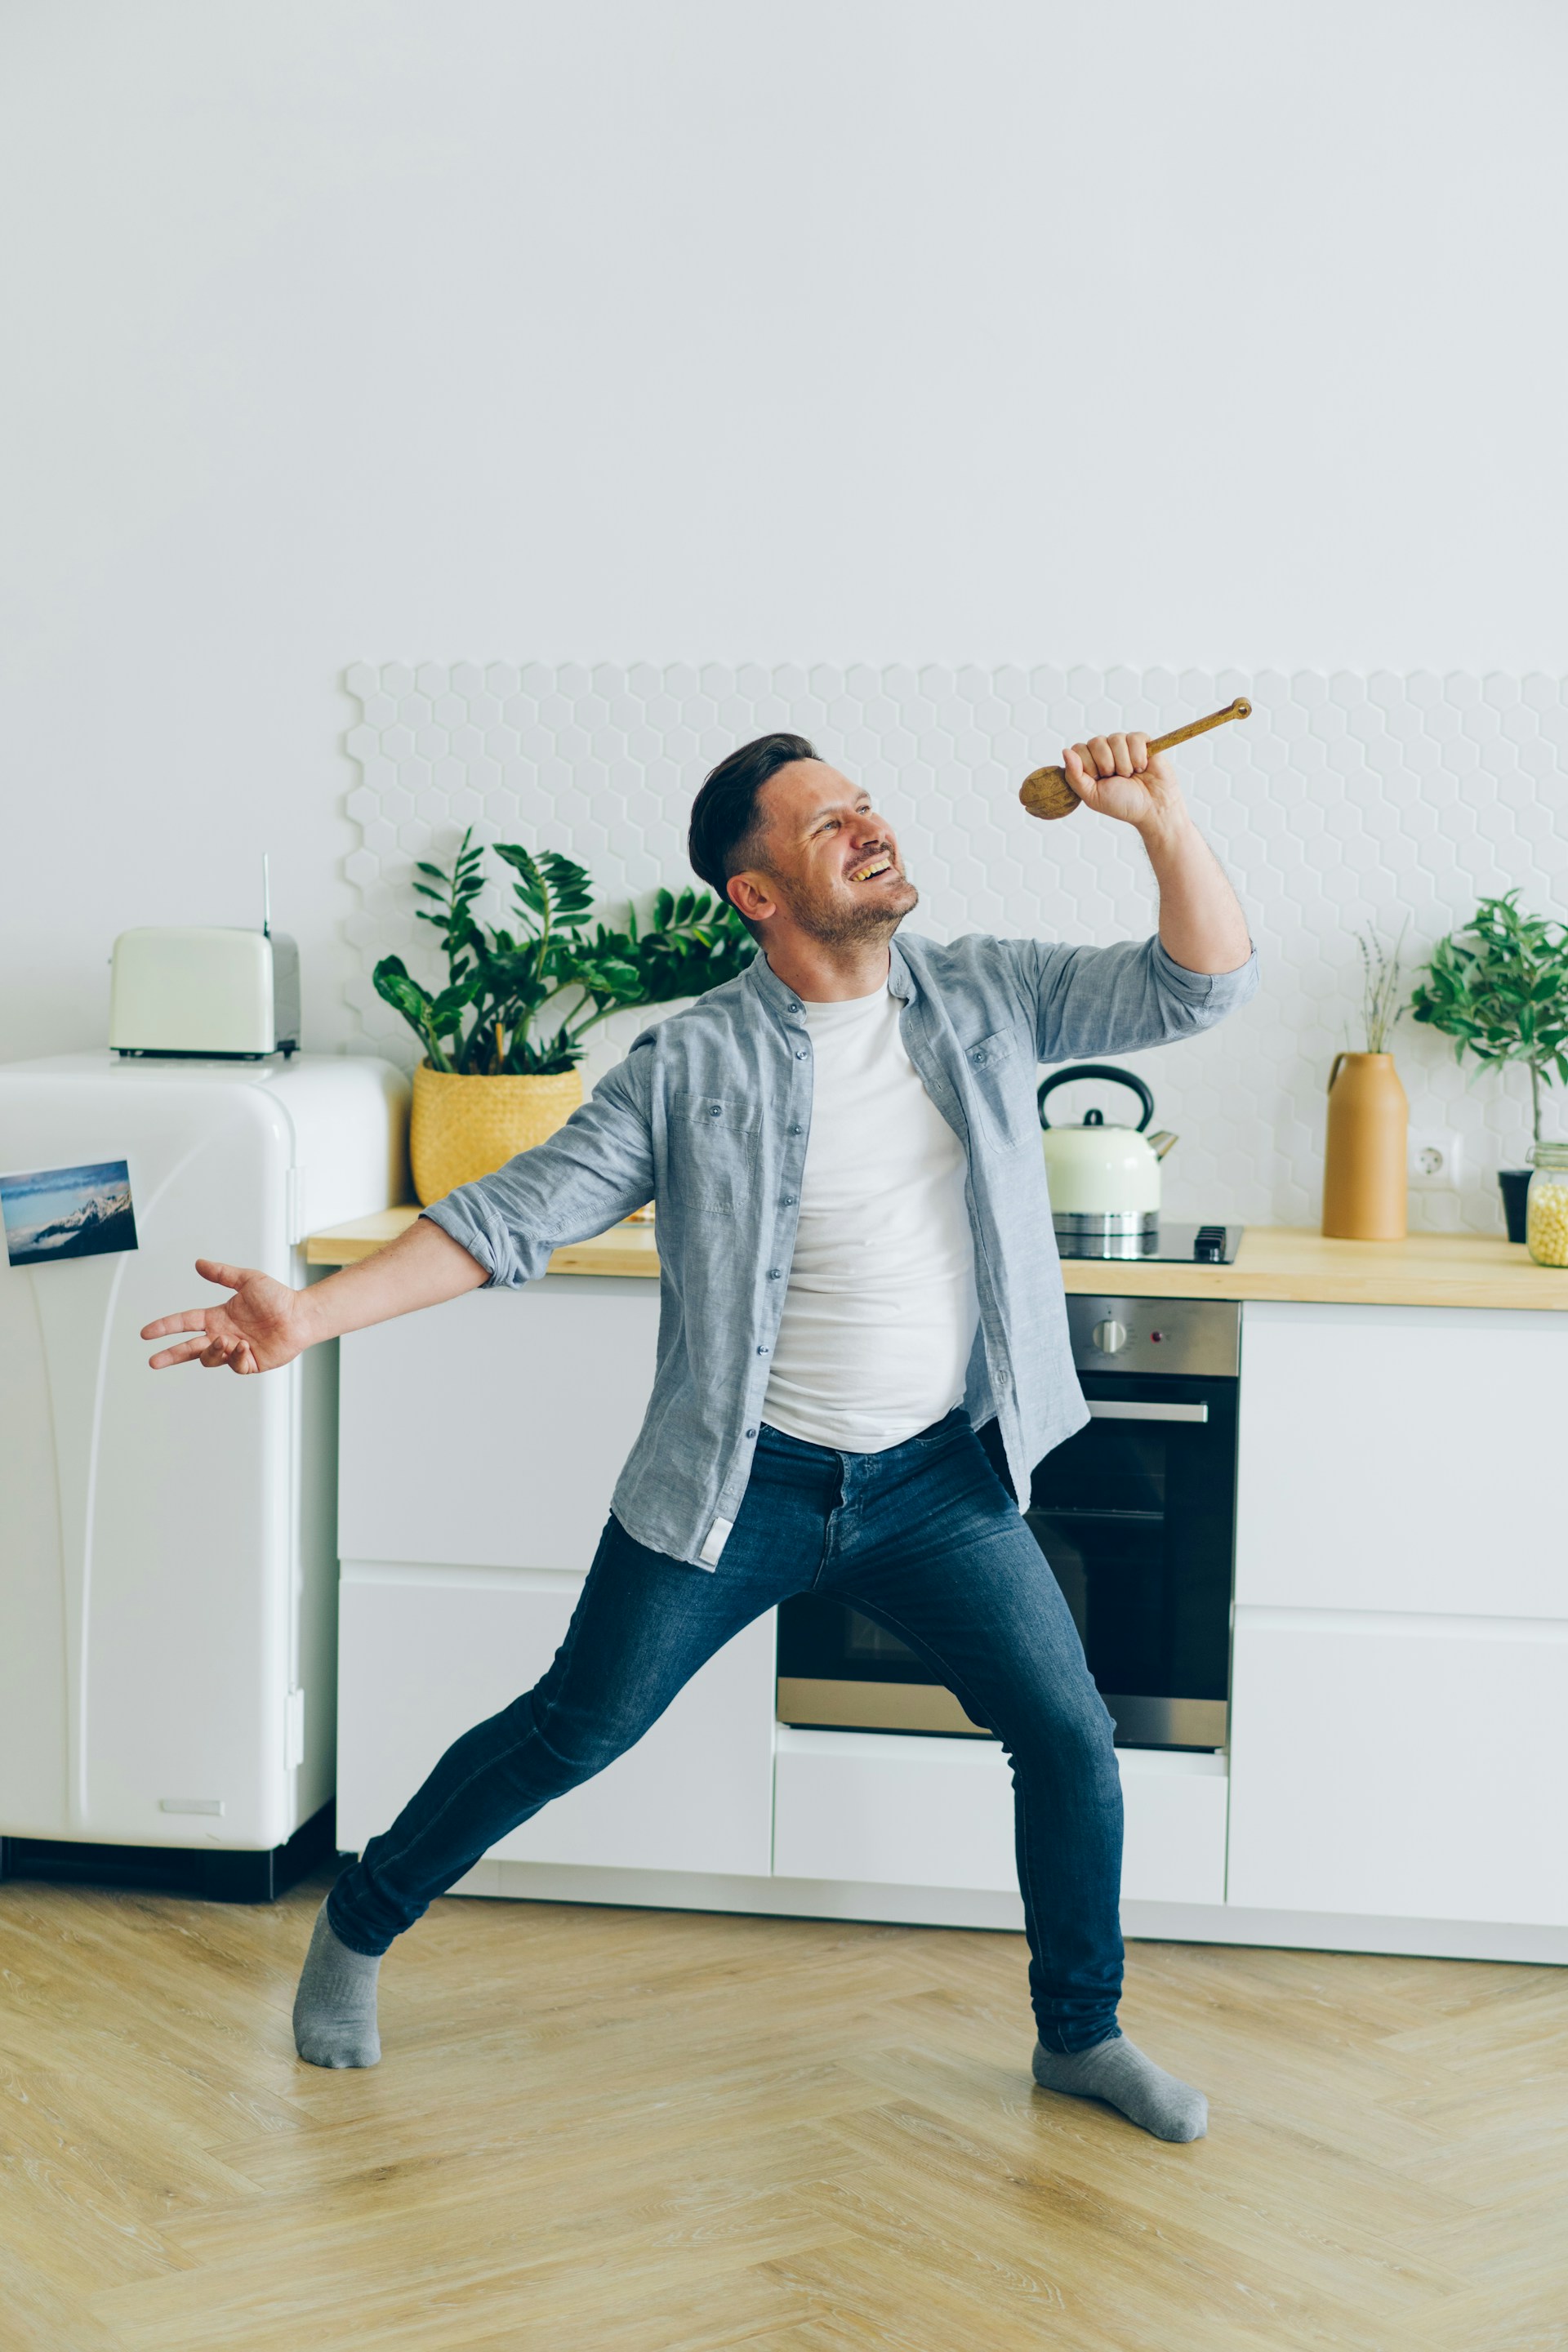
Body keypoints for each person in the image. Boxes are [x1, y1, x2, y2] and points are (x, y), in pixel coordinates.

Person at [142, 728, 1256, 2141]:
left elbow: (1201, 985)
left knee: (1071, 1738)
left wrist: (1159, 820)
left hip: (936, 1479)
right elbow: (512, 1215)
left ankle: (1079, 2037)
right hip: (745, 1487)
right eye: (825, 826)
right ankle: (357, 1923)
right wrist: (309, 1315)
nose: (870, 828)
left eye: (866, 806)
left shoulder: (989, 996)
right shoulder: (692, 1063)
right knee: (572, 1728)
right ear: (758, 895)